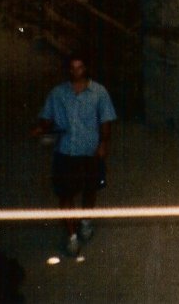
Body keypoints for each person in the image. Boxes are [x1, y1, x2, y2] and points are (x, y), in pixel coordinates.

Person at [30, 53, 117, 257]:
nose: (76, 72)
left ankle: (85, 221)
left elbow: (105, 120)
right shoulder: (57, 93)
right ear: (67, 70)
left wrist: (103, 144)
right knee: (65, 194)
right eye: (72, 68)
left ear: (86, 68)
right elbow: (47, 118)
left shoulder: (99, 92)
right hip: (65, 152)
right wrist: (40, 128)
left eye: (79, 67)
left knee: (90, 190)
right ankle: (71, 237)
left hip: (90, 152)